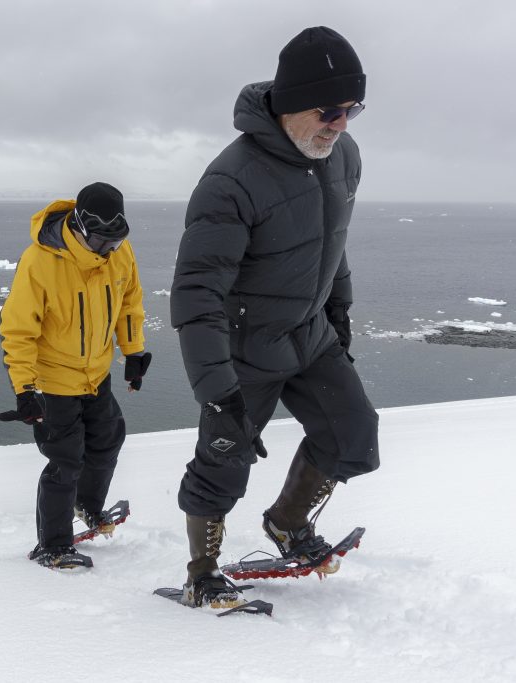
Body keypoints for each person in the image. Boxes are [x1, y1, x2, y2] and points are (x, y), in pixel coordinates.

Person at [169, 26, 380, 609]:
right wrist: (217, 389)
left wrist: (338, 308)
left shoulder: (343, 156)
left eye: (353, 109)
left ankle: (286, 523)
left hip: (309, 335)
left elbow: (330, 241)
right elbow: (195, 291)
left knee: (353, 433)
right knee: (223, 460)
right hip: (245, 346)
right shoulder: (230, 181)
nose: (341, 123)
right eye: (330, 110)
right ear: (290, 106)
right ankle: (202, 572)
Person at [0, 182, 149, 569]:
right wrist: (25, 388)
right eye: (102, 242)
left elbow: (130, 301)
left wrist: (133, 352)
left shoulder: (119, 250)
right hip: (53, 383)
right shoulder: (40, 261)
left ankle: (87, 505)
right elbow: (18, 330)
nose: (110, 250)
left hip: (96, 375)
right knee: (65, 461)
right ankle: (52, 543)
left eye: (116, 241)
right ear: (81, 227)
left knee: (107, 443)